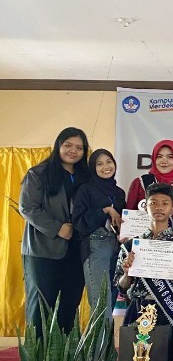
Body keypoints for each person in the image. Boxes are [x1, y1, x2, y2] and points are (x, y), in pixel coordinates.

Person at [19, 126, 90, 334]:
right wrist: (57, 228)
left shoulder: (85, 177)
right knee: (41, 309)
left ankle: (65, 356)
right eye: (68, 145)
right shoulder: (38, 173)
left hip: (76, 251)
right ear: (58, 145)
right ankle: (38, 356)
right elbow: (28, 207)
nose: (73, 151)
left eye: (79, 147)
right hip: (43, 250)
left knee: (69, 306)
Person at [114, 182, 173, 331]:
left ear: (172, 209)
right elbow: (121, 287)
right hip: (138, 308)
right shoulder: (130, 246)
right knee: (136, 347)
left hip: (171, 310)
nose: (159, 207)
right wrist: (127, 273)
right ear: (145, 207)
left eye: (165, 203)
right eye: (153, 203)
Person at [72, 149, 126, 316]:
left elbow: (124, 220)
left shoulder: (119, 192)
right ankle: (100, 335)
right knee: (100, 301)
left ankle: (107, 335)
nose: (105, 167)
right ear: (92, 168)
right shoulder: (86, 189)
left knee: (112, 299)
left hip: (117, 246)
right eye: (99, 164)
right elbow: (79, 222)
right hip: (96, 245)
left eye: (109, 162)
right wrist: (105, 210)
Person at [126, 139, 173, 235]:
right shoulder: (140, 183)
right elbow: (129, 213)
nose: (164, 161)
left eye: (170, 157)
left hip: (170, 241)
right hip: (140, 239)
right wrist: (127, 233)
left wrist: (169, 236)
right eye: (159, 156)